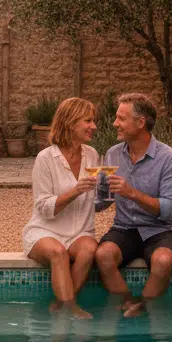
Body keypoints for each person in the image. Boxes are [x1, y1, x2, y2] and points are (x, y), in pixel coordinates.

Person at [94, 92, 172, 317]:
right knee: (103, 255)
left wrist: (132, 193)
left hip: (161, 229)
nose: (115, 124)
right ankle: (128, 301)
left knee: (162, 260)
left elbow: (171, 211)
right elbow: (103, 202)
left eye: (121, 119)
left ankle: (143, 304)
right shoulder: (114, 154)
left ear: (140, 122)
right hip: (125, 227)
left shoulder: (169, 158)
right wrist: (83, 191)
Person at [22, 96, 101, 318]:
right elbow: (44, 207)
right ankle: (70, 309)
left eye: (92, 121)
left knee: (88, 251)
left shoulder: (92, 155)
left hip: (80, 232)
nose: (93, 126)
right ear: (70, 122)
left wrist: (113, 192)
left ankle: (60, 304)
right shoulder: (45, 158)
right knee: (58, 253)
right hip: (45, 230)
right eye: (87, 121)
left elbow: (96, 202)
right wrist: (75, 191)